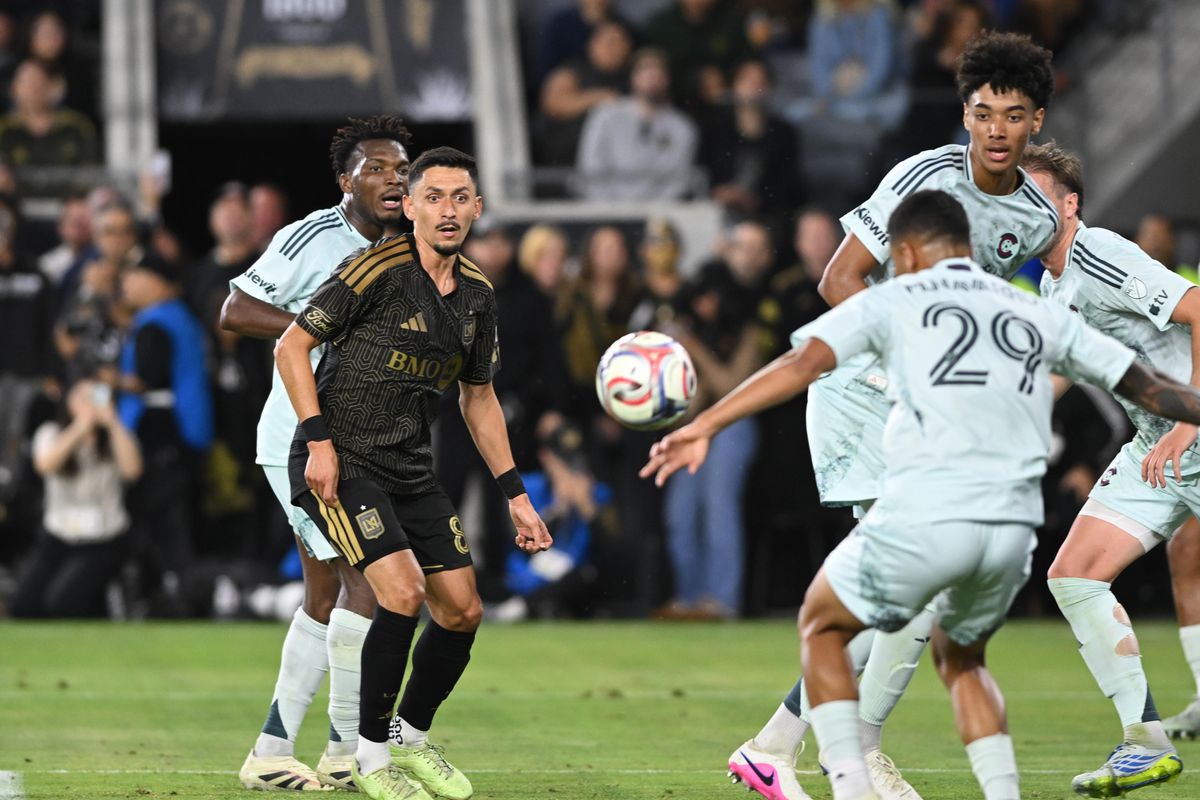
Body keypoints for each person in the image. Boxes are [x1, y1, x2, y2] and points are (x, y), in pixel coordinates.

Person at [641, 189, 1200, 800]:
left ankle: (824, 760)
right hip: (1009, 528)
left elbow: (800, 364)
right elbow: (1147, 386)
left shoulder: (901, 300)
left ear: (904, 253)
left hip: (933, 507)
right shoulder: (1031, 309)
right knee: (963, 656)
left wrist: (704, 425)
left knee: (828, 622)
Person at [725, 30, 1060, 800]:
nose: (996, 130)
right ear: (965, 114)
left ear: (1037, 121)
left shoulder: (1034, 221)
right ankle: (856, 755)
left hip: (922, 411)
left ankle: (776, 747)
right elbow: (839, 281)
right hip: (859, 392)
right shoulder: (925, 178)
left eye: (1013, 115)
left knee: (910, 589)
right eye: (982, 113)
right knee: (919, 583)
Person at [275, 146, 553, 800]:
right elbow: (293, 345)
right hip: (342, 462)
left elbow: (477, 397)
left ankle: (410, 737)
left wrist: (514, 493)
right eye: (434, 197)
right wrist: (317, 442)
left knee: (462, 610)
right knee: (400, 594)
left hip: (410, 468)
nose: (448, 210)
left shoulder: (479, 296)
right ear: (412, 206)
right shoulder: (376, 268)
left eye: (460, 198)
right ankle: (371, 762)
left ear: (478, 208)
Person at [219, 115, 412, 792]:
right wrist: (322, 333)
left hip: (357, 442)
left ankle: (275, 749)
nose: (393, 179)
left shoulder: (404, 249)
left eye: (400, 168)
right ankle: (343, 751)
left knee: (329, 592)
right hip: (296, 443)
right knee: (367, 585)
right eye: (377, 168)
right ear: (345, 181)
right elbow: (235, 311)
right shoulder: (311, 237)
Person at [1023, 141, 1192, 794]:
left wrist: (1186, 421)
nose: (1024, 210)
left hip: (1191, 431)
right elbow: (1055, 380)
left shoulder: (1099, 253)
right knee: (1074, 575)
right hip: (1157, 446)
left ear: (1070, 206)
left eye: (1037, 197)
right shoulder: (1050, 282)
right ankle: (1144, 741)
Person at [11, 378, 141, 617]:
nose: (89, 403)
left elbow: (132, 470)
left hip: (103, 539)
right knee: (23, 605)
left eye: (95, 397)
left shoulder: (114, 439)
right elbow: (45, 464)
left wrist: (111, 421)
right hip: (59, 535)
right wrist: (81, 426)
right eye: (82, 397)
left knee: (62, 600)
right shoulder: (51, 432)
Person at [575, 48, 699, 202]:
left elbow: (677, 181)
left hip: (659, 215)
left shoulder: (683, 127)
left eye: (659, 72)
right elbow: (591, 168)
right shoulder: (604, 115)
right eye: (645, 70)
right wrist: (610, 211)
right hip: (604, 213)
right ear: (633, 77)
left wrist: (651, 213)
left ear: (668, 79)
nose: (652, 77)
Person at [0, 58, 97, 167]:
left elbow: (90, 172)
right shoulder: (4, 129)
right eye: (27, 83)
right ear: (13, 90)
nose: (33, 89)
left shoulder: (77, 127)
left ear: (54, 87)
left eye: (39, 82)